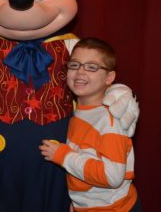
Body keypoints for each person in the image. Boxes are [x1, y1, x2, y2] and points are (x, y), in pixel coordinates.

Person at [39, 37, 141, 212]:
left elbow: (112, 176)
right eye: (75, 65)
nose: (80, 73)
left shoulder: (110, 119)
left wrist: (63, 156)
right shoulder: (80, 111)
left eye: (92, 67)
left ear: (109, 77)